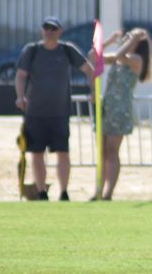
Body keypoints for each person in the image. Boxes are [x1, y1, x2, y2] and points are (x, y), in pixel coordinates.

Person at [14, 16, 94, 201]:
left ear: (60, 31)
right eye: (46, 28)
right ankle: (41, 191)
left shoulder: (67, 50)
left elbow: (89, 70)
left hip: (60, 113)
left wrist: (92, 91)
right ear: (42, 30)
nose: (49, 32)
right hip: (35, 113)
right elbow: (20, 75)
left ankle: (64, 192)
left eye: (53, 29)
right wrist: (20, 96)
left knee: (63, 153)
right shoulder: (32, 51)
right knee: (36, 154)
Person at [90, 28, 152, 200]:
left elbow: (120, 56)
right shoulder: (120, 59)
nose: (126, 39)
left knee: (112, 151)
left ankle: (108, 192)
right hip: (107, 108)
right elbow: (93, 57)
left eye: (130, 38)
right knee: (102, 152)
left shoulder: (136, 60)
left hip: (120, 110)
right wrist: (109, 41)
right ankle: (98, 190)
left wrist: (133, 39)